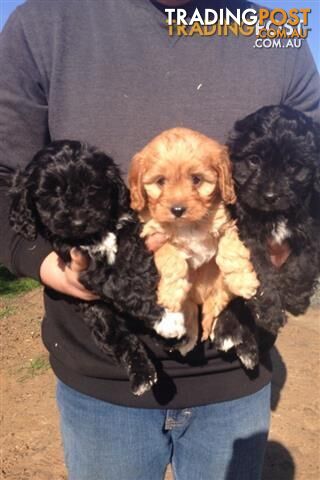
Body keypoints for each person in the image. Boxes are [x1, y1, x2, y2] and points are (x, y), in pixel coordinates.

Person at [0, 0, 319, 479]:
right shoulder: (45, 21)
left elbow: (312, 172)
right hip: (101, 376)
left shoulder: (278, 33)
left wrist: (281, 247)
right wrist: (47, 263)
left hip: (235, 375)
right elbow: (6, 179)